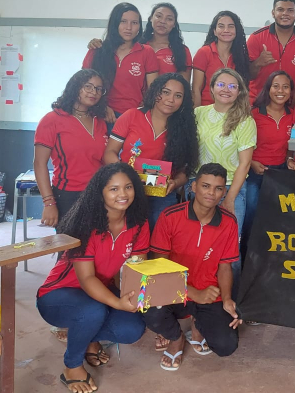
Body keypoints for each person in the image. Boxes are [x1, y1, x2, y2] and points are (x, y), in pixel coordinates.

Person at [36, 163, 149, 393]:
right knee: (92, 311)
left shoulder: (139, 224)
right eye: (114, 189)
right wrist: (118, 302)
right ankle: (72, 365)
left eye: (128, 187)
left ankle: (83, 334)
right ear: (101, 192)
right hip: (57, 296)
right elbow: (87, 279)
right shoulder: (86, 225)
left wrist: (136, 296)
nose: (123, 194)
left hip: (98, 295)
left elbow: (137, 269)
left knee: (132, 329)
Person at [143, 163, 241, 370]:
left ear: (224, 192)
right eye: (205, 186)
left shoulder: (229, 222)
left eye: (218, 188)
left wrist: (227, 299)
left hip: (208, 292)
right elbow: (159, 267)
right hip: (175, 290)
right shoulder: (170, 216)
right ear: (193, 187)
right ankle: (176, 338)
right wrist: (192, 292)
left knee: (226, 346)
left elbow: (225, 267)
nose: (211, 193)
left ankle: (198, 324)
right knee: (150, 310)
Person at [104, 74, 198, 229]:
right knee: (127, 238)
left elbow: (184, 172)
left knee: (158, 242)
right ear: (155, 92)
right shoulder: (132, 116)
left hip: (162, 195)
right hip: (127, 190)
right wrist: (126, 174)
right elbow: (109, 153)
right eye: (165, 92)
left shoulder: (184, 128)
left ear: (183, 102)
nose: (170, 99)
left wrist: (175, 183)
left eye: (178, 96)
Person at [34, 69, 108, 227]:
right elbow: (39, 164)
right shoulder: (52, 120)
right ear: (75, 87)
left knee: (96, 248)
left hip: (99, 194)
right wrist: (48, 203)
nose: (94, 92)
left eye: (98, 88)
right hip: (68, 195)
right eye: (88, 86)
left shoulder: (100, 121)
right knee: (70, 249)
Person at [194, 68, 256, 236]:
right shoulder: (198, 113)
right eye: (221, 84)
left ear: (239, 92)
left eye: (232, 86)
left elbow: (245, 163)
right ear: (212, 88)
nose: (226, 89)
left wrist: (229, 199)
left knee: (229, 243)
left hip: (229, 187)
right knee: (196, 239)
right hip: (198, 186)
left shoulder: (245, 120)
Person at [246, 71, 295, 256]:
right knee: (251, 213)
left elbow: (294, 144)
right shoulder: (254, 114)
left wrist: (290, 158)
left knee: (276, 218)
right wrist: (251, 162)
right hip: (254, 173)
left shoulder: (294, 115)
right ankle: (247, 256)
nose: (280, 91)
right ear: (268, 88)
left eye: (285, 86)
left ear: (291, 91)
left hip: (280, 174)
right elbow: (240, 144)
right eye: (276, 86)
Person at [83, 3, 158, 125]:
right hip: (98, 114)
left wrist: (140, 113)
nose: (129, 27)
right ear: (114, 23)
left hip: (133, 118)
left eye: (134, 23)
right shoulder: (97, 50)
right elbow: (82, 86)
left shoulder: (147, 52)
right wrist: (102, 108)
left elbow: (153, 90)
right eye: (123, 21)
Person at [87, 2, 192, 80]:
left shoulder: (181, 51)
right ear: (151, 18)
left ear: (174, 24)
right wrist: (97, 43)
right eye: (159, 16)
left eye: (169, 19)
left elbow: (184, 84)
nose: (162, 21)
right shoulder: (137, 45)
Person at [247, 0, 295, 102]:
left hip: (286, 103)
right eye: (280, 9)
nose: (285, 14)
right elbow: (247, 75)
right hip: (256, 102)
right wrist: (258, 63)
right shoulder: (256, 38)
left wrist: (292, 100)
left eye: (290, 10)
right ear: (273, 13)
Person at [191, 11, 251, 107]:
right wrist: (196, 115)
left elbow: (243, 89)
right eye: (221, 26)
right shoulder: (204, 53)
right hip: (206, 111)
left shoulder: (240, 56)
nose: (226, 30)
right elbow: (196, 90)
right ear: (214, 31)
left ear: (237, 30)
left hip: (233, 112)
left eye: (231, 26)